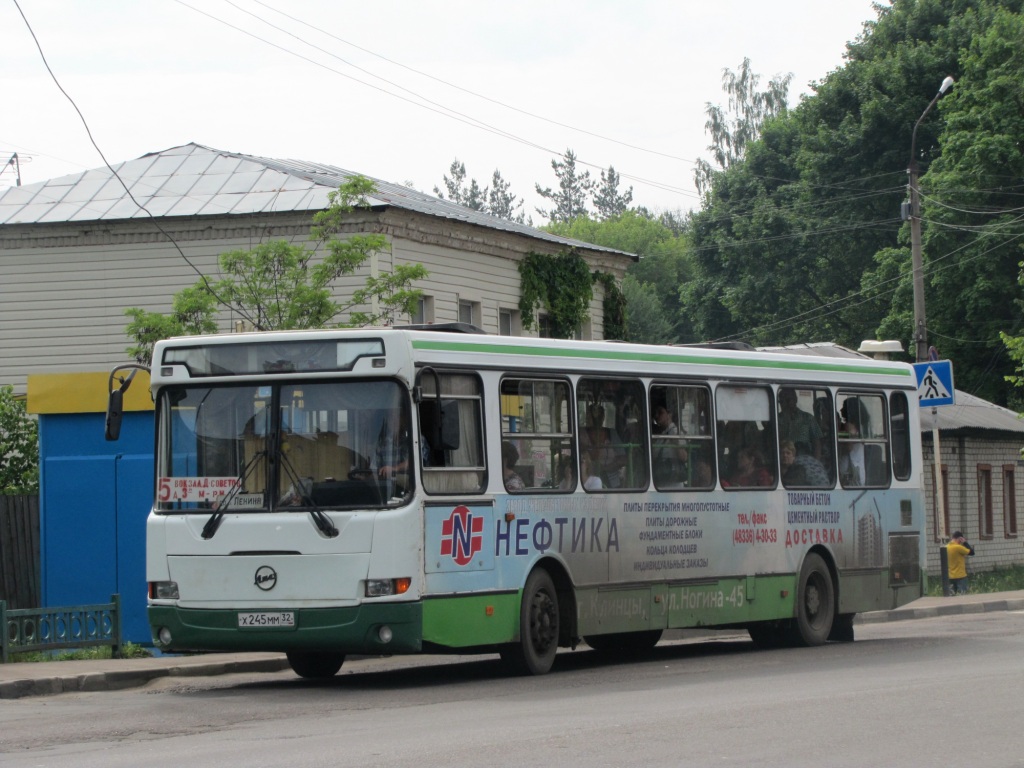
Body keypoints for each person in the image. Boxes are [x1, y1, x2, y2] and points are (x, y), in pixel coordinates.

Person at [778, 388, 823, 460]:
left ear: (795, 399)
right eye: (782, 401)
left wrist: (815, 463)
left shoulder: (808, 418)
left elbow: (817, 444)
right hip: (782, 460)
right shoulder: (776, 420)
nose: (785, 404)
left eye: (788, 400)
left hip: (804, 460)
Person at [652, 404, 688, 485]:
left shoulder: (676, 432)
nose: (657, 416)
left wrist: (676, 443)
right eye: (655, 414)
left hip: (674, 479)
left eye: (660, 412)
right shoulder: (661, 436)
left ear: (669, 414)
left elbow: (684, 457)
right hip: (662, 478)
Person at [946, 531, 975, 595]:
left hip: (950, 576)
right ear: (960, 539)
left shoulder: (946, 547)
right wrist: (965, 543)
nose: (960, 542)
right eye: (960, 540)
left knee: (952, 596)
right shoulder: (958, 547)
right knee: (963, 596)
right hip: (960, 576)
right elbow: (972, 552)